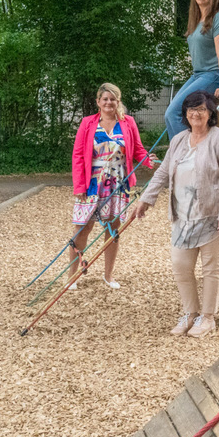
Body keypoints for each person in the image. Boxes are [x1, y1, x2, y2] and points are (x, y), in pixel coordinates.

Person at [133, 91, 219, 338]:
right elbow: (162, 173)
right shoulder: (179, 140)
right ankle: (190, 313)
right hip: (182, 215)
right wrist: (146, 200)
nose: (196, 114)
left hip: (212, 214)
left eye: (202, 109)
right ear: (185, 114)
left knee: (211, 268)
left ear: (210, 113)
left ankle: (208, 317)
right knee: (181, 266)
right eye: (191, 110)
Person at [70, 83, 153, 289]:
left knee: (113, 229)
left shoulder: (128, 122)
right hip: (91, 183)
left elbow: (138, 150)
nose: (109, 102)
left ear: (118, 101)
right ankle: (71, 277)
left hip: (118, 182)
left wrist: (149, 162)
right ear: (98, 102)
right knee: (82, 228)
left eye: (113, 99)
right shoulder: (88, 123)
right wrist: (79, 186)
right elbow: (78, 155)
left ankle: (108, 276)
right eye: (105, 99)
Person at [164, 0, 219, 140]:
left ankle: (185, 156)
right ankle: (189, 153)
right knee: (174, 114)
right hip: (199, 74)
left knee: (174, 112)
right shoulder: (197, 19)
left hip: (216, 74)